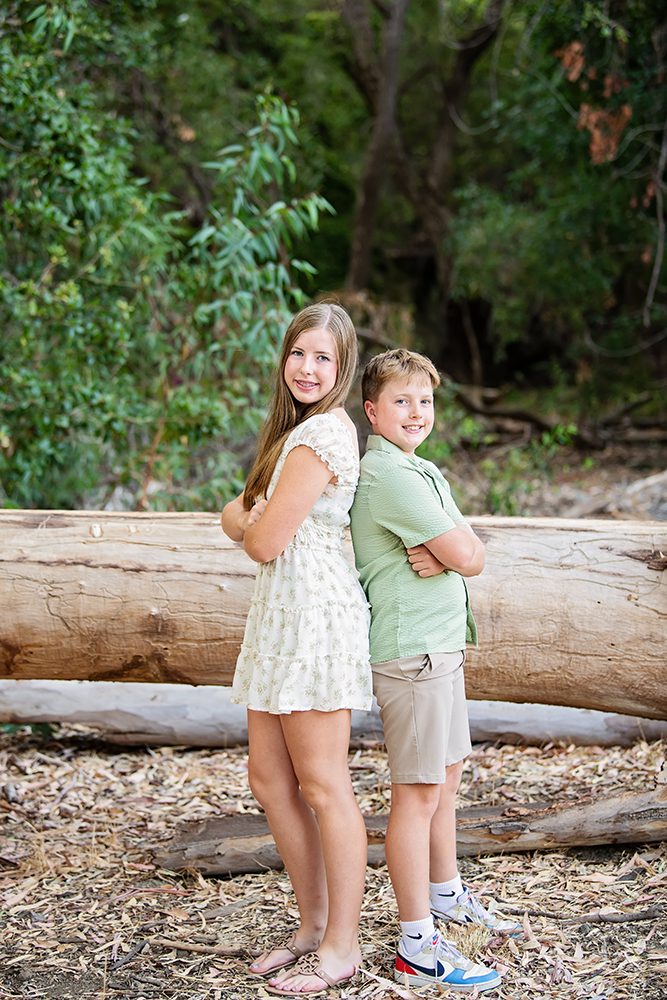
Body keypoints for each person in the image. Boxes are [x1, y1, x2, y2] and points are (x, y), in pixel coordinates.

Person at [350, 348, 521, 993]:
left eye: (424, 400)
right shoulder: (390, 477)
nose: (416, 411)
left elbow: (462, 549)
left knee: (446, 780)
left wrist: (452, 552)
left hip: (440, 646)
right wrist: (455, 553)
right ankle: (415, 943)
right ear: (372, 411)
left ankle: (444, 895)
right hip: (411, 652)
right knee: (418, 794)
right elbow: (471, 555)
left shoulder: (420, 470)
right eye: (401, 400)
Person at [221, 302, 372, 997]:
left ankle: (342, 946)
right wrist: (246, 517)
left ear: (340, 371)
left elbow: (259, 535)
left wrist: (245, 518)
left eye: (324, 359)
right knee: (269, 779)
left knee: (321, 785)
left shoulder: (319, 438)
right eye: (298, 354)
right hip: (280, 616)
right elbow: (246, 513)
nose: (307, 368)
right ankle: (310, 924)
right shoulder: (295, 432)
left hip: (313, 618)